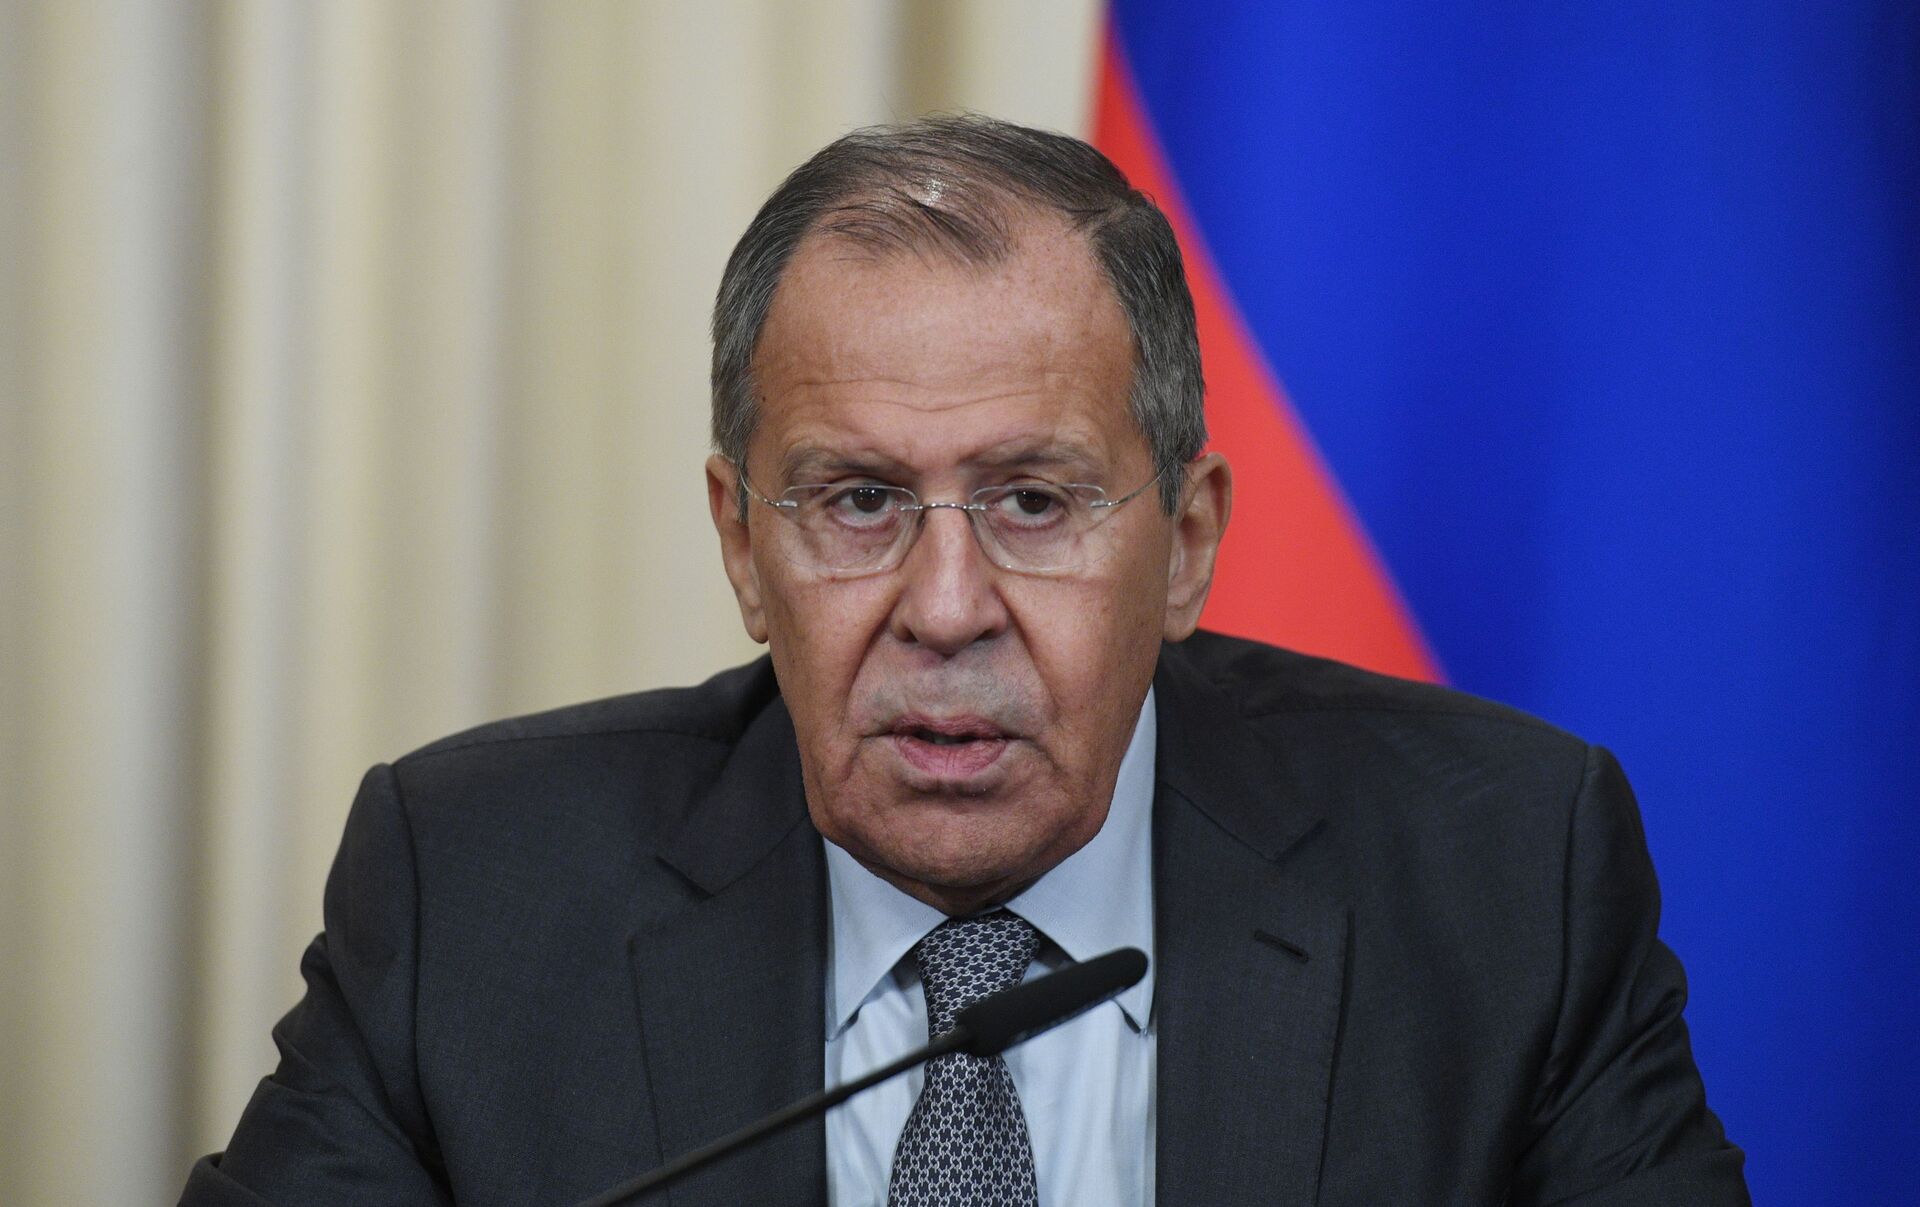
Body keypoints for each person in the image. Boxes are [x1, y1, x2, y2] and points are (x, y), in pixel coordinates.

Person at [181, 115, 1748, 1206]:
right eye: (859, 501)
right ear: (742, 544)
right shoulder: (476, 888)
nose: (945, 608)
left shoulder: (1501, 875)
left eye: (1035, 502)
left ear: (1187, 540)